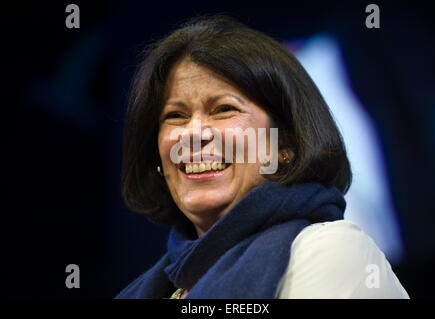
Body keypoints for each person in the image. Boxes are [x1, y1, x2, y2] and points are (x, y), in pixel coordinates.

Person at [115, 15, 409, 299]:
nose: (193, 134)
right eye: (175, 116)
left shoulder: (330, 252)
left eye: (224, 109)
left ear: (285, 147)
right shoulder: (158, 288)